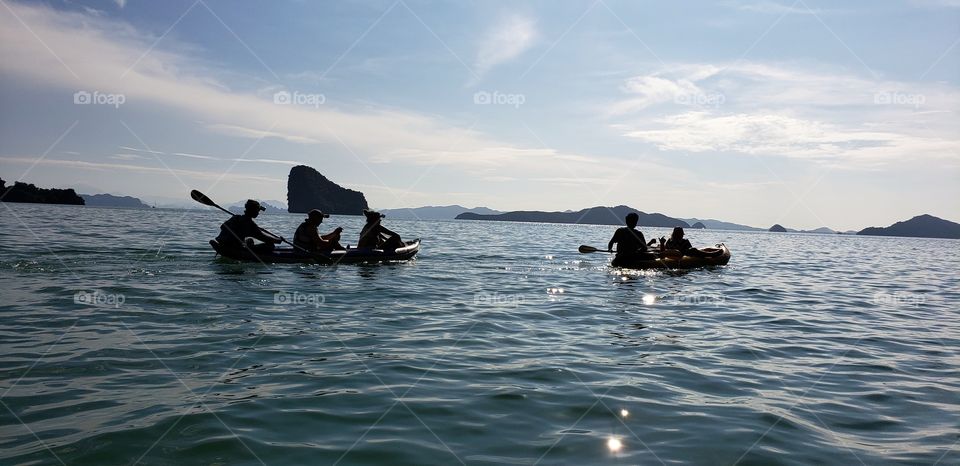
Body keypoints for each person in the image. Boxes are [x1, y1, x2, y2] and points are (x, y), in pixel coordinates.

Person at [215, 199, 283, 252]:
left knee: (249, 240)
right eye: (257, 211)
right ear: (253, 210)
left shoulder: (236, 217)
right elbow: (264, 238)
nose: (258, 213)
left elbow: (222, 227)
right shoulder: (250, 224)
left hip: (223, 243)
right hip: (234, 247)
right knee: (270, 245)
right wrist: (278, 240)